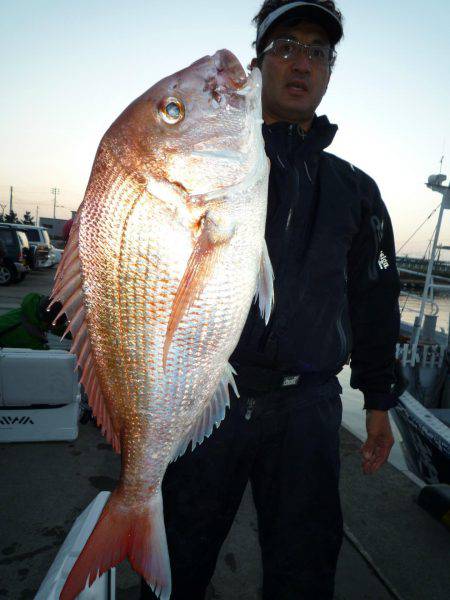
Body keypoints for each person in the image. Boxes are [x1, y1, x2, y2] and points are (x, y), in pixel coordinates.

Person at [142, 1, 401, 598]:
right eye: (286, 45)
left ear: (331, 70)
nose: (301, 63)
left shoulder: (356, 190)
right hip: (210, 392)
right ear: (257, 64)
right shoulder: (211, 164)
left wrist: (380, 401)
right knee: (177, 560)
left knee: (304, 569)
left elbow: (374, 301)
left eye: (317, 51)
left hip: (307, 408)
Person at [0, 293, 66, 350]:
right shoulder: (29, 337)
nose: (56, 326)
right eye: (57, 324)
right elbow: (45, 357)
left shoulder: (32, 312)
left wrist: (74, 333)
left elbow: (55, 328)